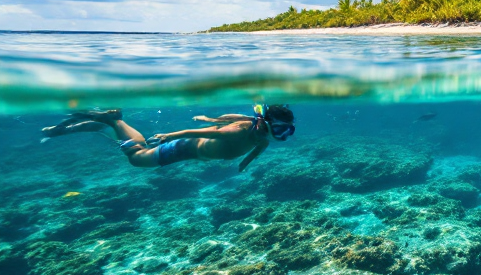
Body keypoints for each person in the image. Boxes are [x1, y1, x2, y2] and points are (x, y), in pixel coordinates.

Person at [41, 104, 295, 172]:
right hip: (182, 148)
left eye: (287, 131)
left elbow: (256, 151)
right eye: (280, 129)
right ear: (265, 123)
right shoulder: (238, 131)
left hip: (190, 151)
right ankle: (115, 121)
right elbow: (194, 133)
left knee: (139, 153)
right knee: (137, 159)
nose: (282, 136)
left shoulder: (262, 138)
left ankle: (110, 122)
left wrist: (244, 164)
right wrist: (168, 136)